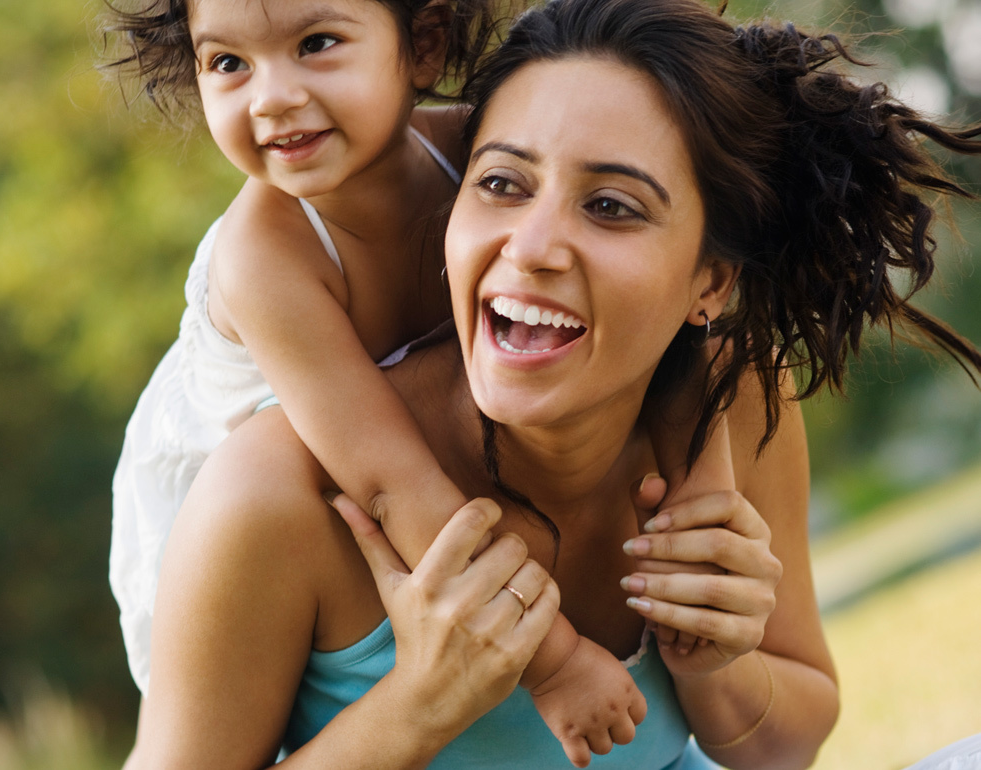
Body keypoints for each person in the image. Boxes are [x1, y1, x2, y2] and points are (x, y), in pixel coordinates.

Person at [127, 0, 981, 767]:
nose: (532, 245)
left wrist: (713, 643)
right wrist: (418, 712)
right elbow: (389, 480)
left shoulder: (730, 390)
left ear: (711, 284)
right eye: (503, 184)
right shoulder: (274, 484)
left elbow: (784, 746)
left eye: (610, 205)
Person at [102, 0, 701, 763]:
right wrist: (551, 660)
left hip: (432, 469)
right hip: (270, 526)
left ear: (423, 45)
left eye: (316, 44)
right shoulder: (267, 254)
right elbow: (387, 480)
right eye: (227, 63)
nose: (271, 97)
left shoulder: (477, 153)